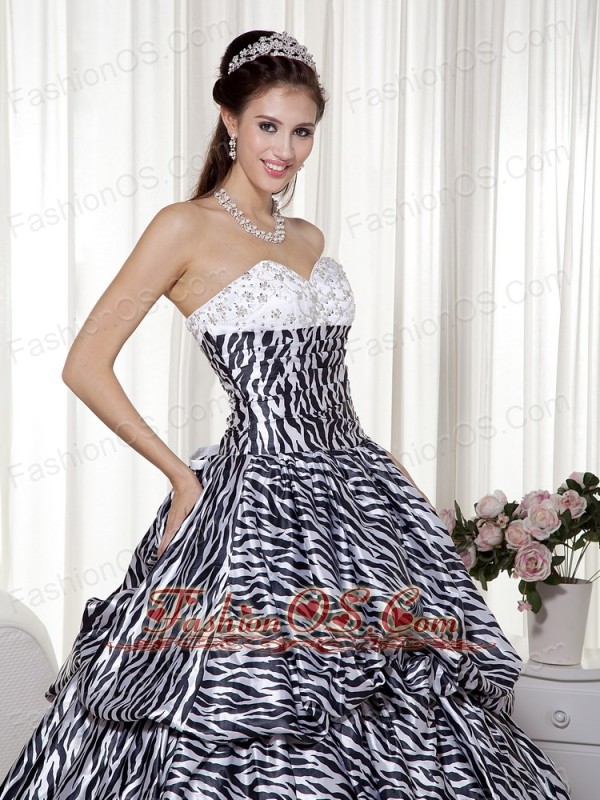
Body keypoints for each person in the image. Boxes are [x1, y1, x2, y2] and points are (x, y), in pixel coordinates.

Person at [0, 29, 570, 800]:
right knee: (255, 694)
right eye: (268, 125)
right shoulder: (183, 226)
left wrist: (392, 473)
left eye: (302, 131)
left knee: (409, 687)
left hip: (359, 493)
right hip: (257, 504)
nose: (285, 149)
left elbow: (329, 390)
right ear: (229, 119)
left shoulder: (307, 237)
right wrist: (181, 478)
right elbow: (84, 365)